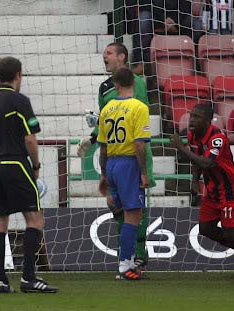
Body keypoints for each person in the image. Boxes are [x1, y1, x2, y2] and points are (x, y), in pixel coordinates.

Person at [0, 56, 58, 293]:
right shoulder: (20, 100)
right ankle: (29, 278)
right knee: (34, 218)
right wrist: (36, 164)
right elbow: (30, 137)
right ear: (18, 75)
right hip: (16, 164)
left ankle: (2, 281)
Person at [78, 42, 155, 274]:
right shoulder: (104, 88)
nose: (105, 56)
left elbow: (133, 120)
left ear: (122, 57)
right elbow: (105, 120)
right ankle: (127, 257)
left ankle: (137, 255)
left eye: (109, 53)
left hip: (130, 152)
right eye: (104, 53)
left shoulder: (136, 84)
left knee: (135, 206)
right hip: (120, 153)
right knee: (119, 205)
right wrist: (92, 138)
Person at [171, 103, 234, 278]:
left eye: (197, 117)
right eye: (192, 116)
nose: (192, 120)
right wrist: (195, 181)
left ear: (208, 121)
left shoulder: (217, 138)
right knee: (205, 229)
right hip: (212, 190)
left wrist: (181, 148)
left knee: (230, 233)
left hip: (231, 190)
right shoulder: (192, 135)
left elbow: (207, 162)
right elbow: (197, 159)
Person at [97, 67, 151, 280]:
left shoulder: (108, 107)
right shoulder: (139, 107)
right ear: (135, 84)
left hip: (111, 162)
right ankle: (125, 265)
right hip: (129, 164)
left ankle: (126, 263)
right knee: (134, 214)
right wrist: (144, 173)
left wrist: (103, 174)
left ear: (116, 85)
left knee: (125, 214)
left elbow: (102, 146)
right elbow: (139, 144)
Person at [131, 0, 204, 74]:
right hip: (155, 15)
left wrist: (174, 21)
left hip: (178, 17)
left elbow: (186, 5)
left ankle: (196, 64)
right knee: (143, 18)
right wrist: (164, 19)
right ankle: (142, 63)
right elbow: (144, 4)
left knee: (197, 25)